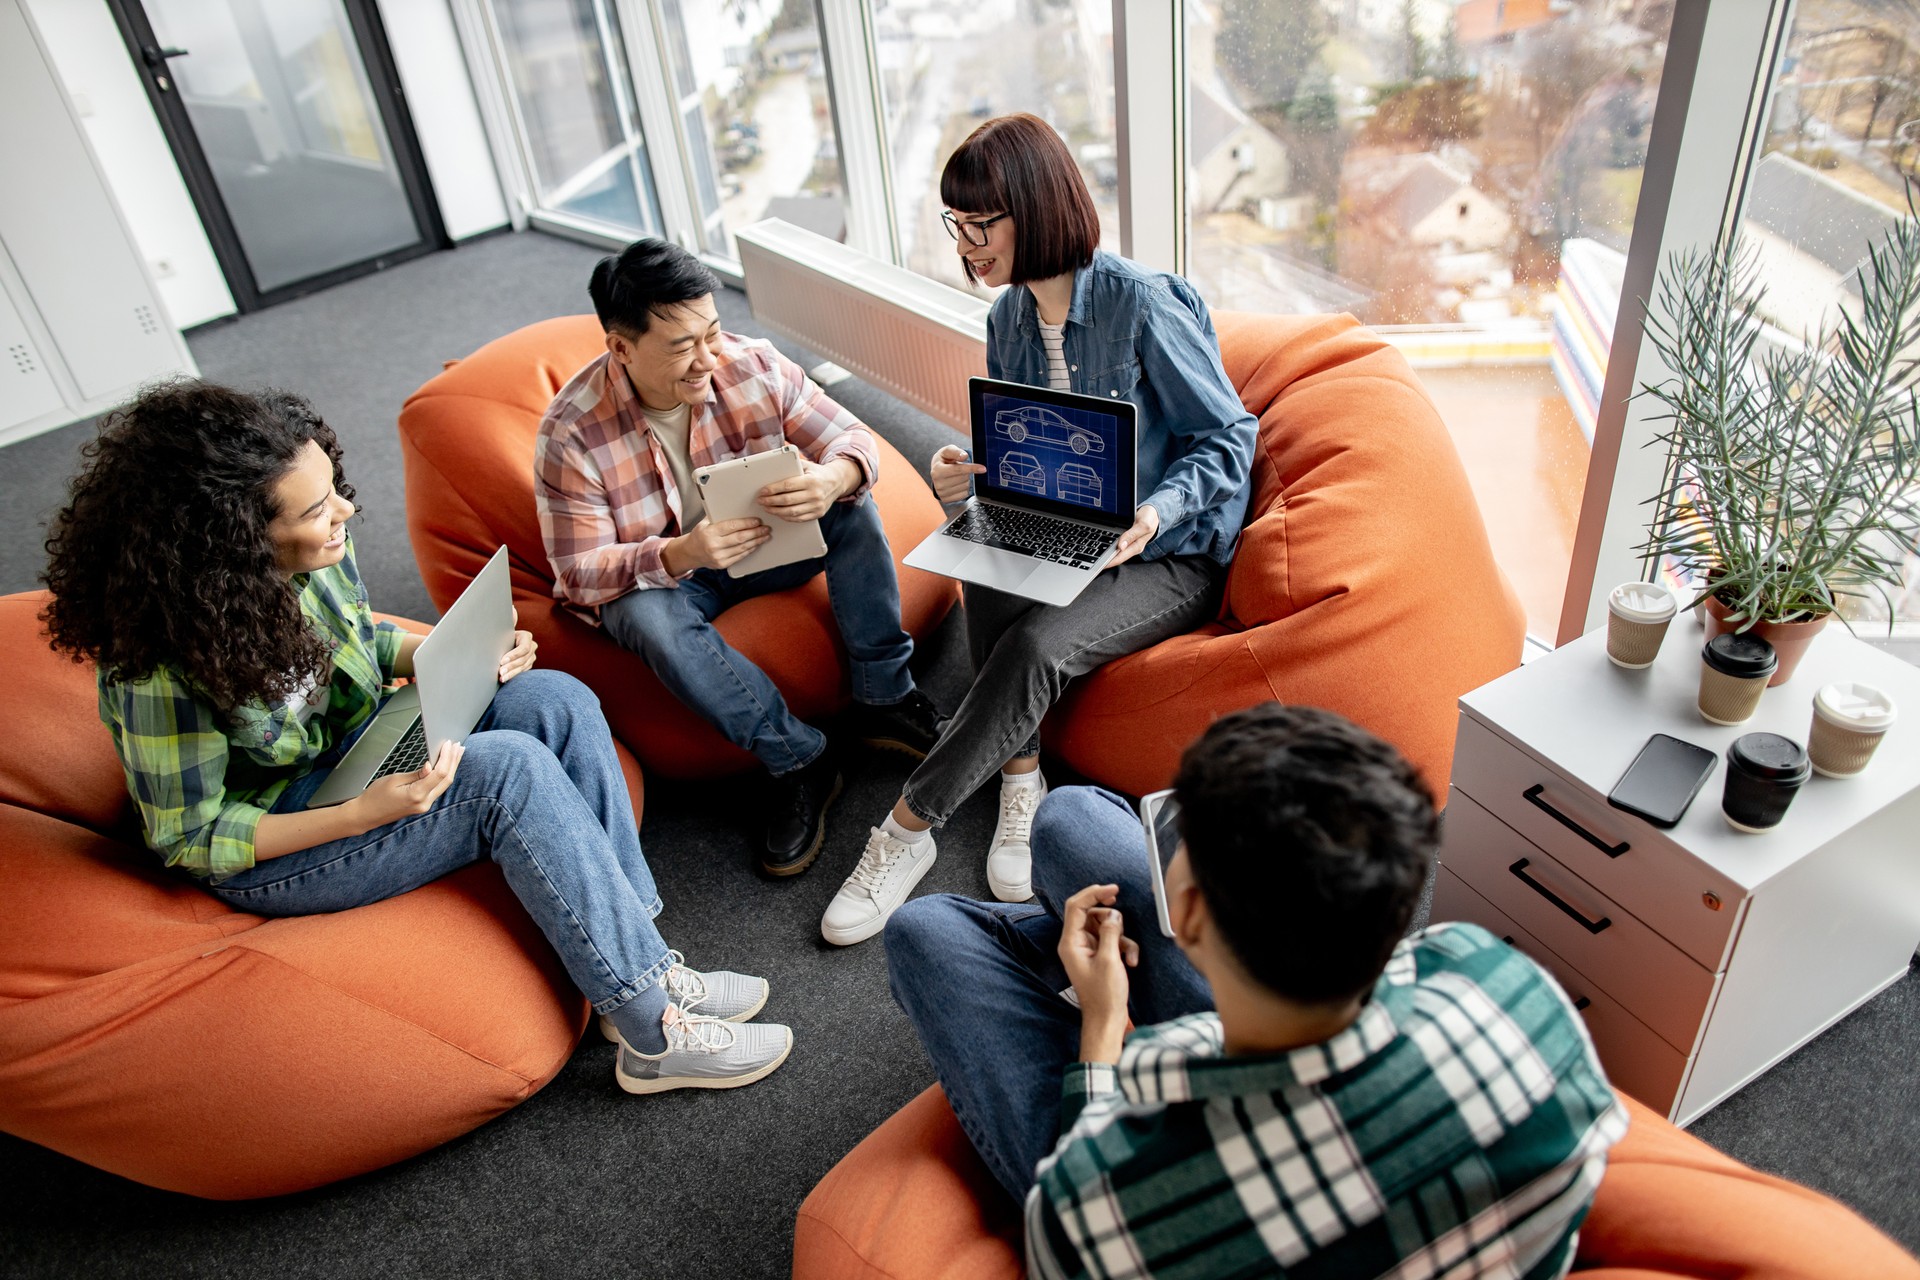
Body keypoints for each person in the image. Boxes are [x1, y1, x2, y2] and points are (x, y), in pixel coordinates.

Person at [42, 381, 793, 1096]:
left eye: (333, 488)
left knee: (552, 698)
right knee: (505, 773)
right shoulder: (155, 670)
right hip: (280, 837)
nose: (342, 512)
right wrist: (361, 815)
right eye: (313, 509)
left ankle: (637, 973)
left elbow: (366, 641)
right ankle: (653, 1039)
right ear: (233, 540)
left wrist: (453, 657)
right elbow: (191, 835)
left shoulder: (319, 561)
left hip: (360, 748)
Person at [885, 703, 1627, 1278]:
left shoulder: (1098, 1207)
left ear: (1196, 916)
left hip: (1174, 1180)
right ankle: (1062, 951)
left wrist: (1105, 1027)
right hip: (1343, 1071)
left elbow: (1077, 1196)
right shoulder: (1505, 981)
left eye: (1182, 839)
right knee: (1070, 818)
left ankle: (1058, 969)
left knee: (925, 932)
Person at [820, 113, 1258, 946]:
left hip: (1165, 549)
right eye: (957, 222)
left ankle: (905, 832)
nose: (966, 242)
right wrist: (967, 472)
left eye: (982, 222)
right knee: (978, 553)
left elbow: (1231, 437)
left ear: (1036, 208)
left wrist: (1154, 510)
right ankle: (1022, 775)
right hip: (1062, 523)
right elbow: (1026, 442)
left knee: (1032, 648)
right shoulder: (1008, 320)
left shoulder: (1143, 305)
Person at [535, 238, 946, 877]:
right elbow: (576, 573)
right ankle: (799, 758)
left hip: (768, 546)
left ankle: (884, 695)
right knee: (641, 616)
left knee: (852, 502)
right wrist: (676, 553)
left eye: (713, 333)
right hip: (676, 577)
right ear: (621, 346)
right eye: (682, 347)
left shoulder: (753, 364)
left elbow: (853, 438)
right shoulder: (570, 432)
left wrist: (833, 478)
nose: (709, 358)